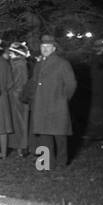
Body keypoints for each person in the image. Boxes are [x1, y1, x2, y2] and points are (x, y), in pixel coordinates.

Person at [27, 33, 77, 168]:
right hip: (41, 105)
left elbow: (71, 84)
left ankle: (61, 163)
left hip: (57, 105)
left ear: (54, 48)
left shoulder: (62, 63)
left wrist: (63, 99)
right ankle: (46, 162)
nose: (45, 49)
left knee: (60, 136)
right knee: (44, 135)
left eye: (48, 46)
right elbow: (34, 82)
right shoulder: (39, 64)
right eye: (43, 46)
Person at [6, 42, 33, 157]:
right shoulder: (20, 63)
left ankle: (21, 147)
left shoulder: (18, 65)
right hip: (19, 95)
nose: (9, 54)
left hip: (18, 96)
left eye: (11, 52)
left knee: (20, 121)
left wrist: (9, 89)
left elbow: (17, 82)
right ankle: (20, 146)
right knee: (20, 121)